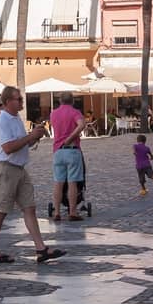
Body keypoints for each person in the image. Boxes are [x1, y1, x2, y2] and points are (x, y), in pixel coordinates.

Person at [0, 85, 66, 265]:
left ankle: (41, 249)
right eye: (18, 99)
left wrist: (34, 136)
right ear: (7, 102)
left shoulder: (17, 119)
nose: (22, 102)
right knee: (1, 210)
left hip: (20, 169)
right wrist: (30, 137)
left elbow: (22, 144)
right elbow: (8, 147)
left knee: (29, 207)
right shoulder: (3, 120)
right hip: (6, 169)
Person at [49, 92, 86, 221]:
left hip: (58, 150)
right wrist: (71, 137)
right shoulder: (75, 112)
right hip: (72, 150)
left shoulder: (54, 113)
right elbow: (81, 125)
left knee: (58, 183)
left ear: (60, 101)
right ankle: (72, 212)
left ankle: (57, 212)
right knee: (72, 183)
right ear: (73, 101)